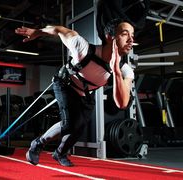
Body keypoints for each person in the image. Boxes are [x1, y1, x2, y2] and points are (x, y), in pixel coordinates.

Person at [15, 19, 135, 167]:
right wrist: (38, 32)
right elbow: (59, 30)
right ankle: (38, 144)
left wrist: (115, 70)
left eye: (133, 35)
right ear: (110, 36)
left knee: (79, 126)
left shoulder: (125, 71)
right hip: (65, 84)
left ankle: (60, 153)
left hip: (85, 93)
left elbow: (122, 103)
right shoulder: (82, 47)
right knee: (70, 123)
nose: (131, 39)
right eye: (125, 34)